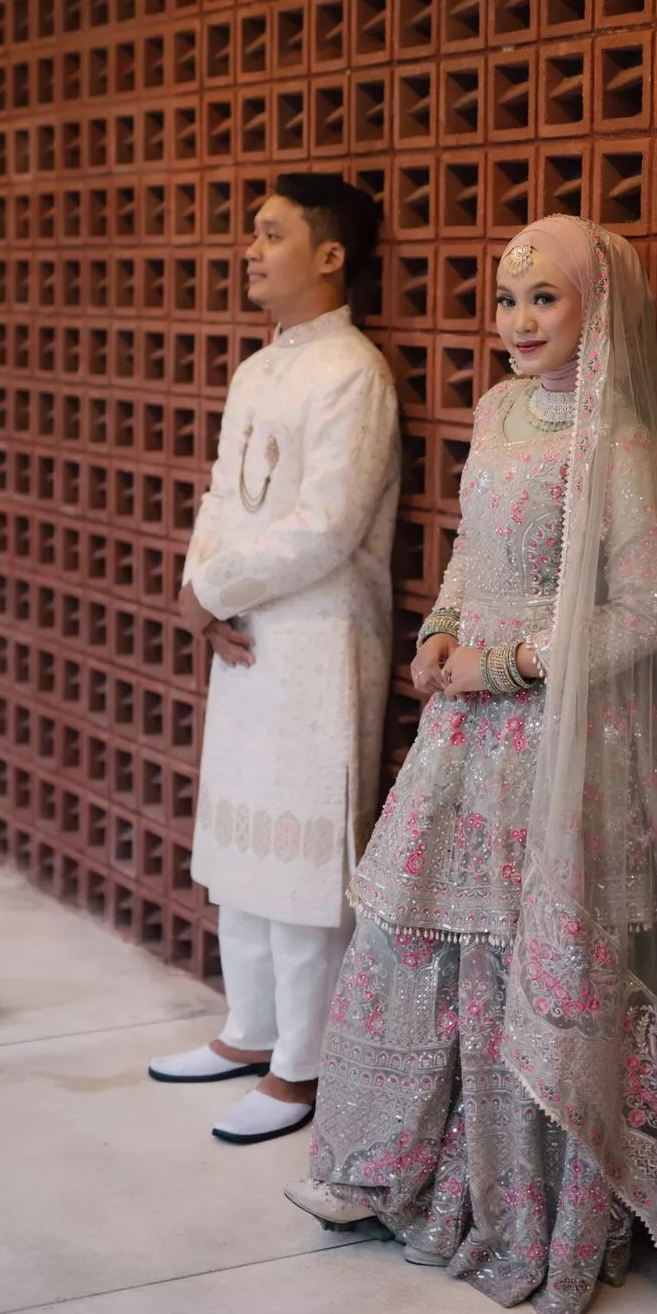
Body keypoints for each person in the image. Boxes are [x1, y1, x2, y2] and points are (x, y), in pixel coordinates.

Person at [284, 215, 657, 1314]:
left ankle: (519, 1203)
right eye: (505, 299)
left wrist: (508, 662)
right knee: (404, 938)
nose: (519, 321)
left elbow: (643, 616)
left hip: (551, 742)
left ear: (596, 306)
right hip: (462, 729)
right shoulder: (495, 410)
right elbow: (468, 550)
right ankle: (383, 1170)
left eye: (544, 298)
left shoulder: (616, 436)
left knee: (509, 965)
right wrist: (441, 628)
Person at [148, 173, 400, 1147]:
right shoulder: (257, 371)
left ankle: (304, 1065)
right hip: (246, 629)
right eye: (252, 234)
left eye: (269, 234)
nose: (249, 251)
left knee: (302, 857)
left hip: (318, 641)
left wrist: (215, 590)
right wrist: (200, 587)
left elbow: (327, 526)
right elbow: (222, 494)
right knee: (241, 843)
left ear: (330, 256)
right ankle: (248, 1030)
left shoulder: (354, 373)